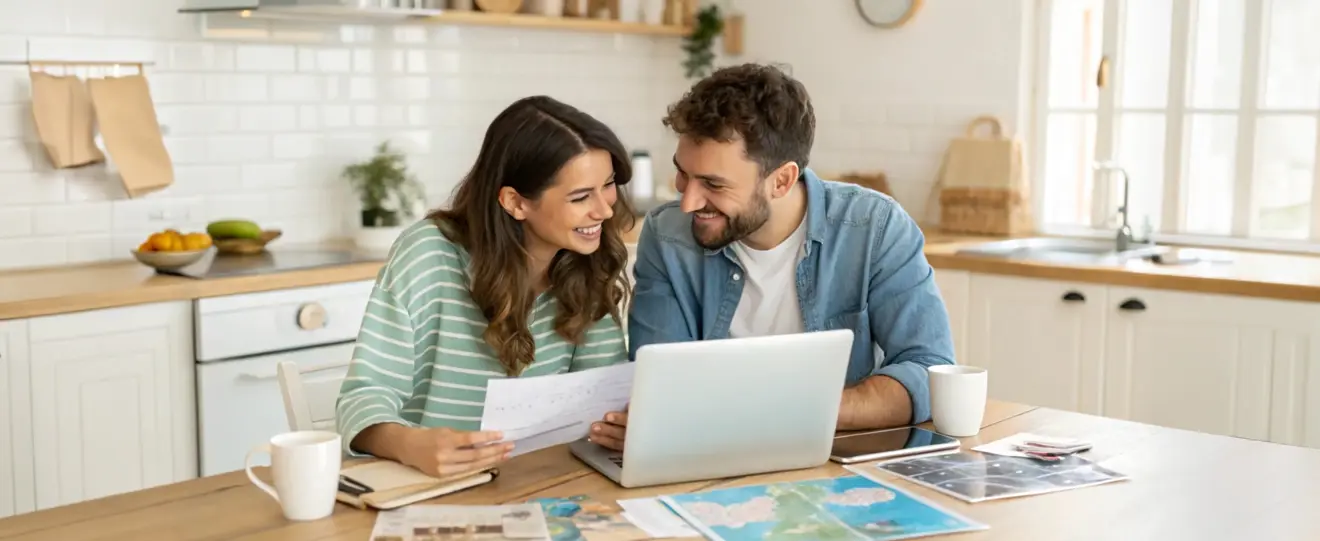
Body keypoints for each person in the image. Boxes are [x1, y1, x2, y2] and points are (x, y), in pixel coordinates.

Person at [589, 63, 956, 452]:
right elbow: (662, 387)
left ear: (781, 180)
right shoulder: (667, 236)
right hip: (705, 459)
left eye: (713, 184)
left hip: (830, 461)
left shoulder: (875, 228)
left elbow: (928, 370)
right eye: (683, 174)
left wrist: (798, 410)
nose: (688, 201)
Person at [336, 95, 636, 479]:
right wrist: (412, 445)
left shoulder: (586, 257)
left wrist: (621, 425)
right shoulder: (429, 254)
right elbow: (363, 395)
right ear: (515, 202)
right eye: (580, 197)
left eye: (608, 185)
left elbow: (602, 392)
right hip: (431, 489)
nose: (605, 210)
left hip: (543, 484)